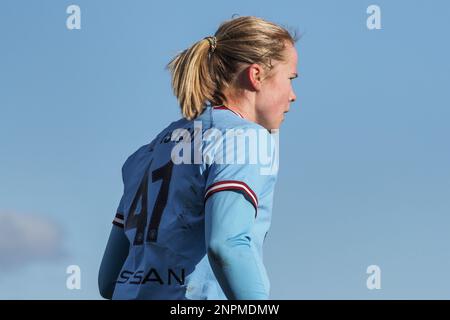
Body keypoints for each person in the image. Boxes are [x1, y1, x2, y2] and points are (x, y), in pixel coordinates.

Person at [98, 15, 299, 300]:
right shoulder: (246, 139)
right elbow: (226, 244)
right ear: (256, 76)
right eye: (290, 78)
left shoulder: (148, 152)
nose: (293, 95)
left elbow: (108, 280)